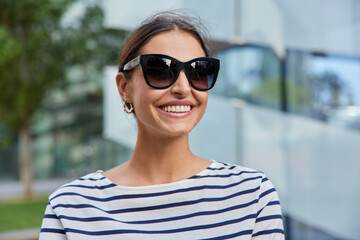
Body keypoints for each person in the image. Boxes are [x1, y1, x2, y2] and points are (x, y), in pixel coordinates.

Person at [39, 11, 284, 240]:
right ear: (125, 87)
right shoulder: (72, 207)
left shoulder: (252, 195)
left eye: (198, 71)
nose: (183, 88)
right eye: (160, 70)